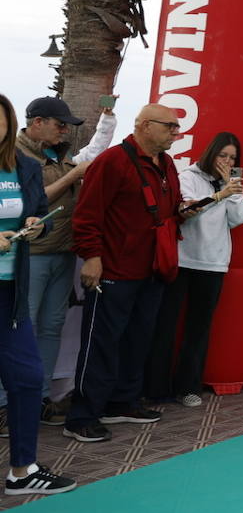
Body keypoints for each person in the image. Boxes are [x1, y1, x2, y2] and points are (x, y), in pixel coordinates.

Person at [65, 104, 185, 443]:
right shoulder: (113, 161)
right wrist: (92, 257)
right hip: (115, 268)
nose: (176, 132)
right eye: (170, 126)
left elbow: (169, 207)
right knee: (101, 343)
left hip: (152, 269)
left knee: (137, 340)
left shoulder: (168, 164)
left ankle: (122, 402)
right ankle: (82, 415)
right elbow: (87, 215)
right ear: (146, 126)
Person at [15, 96, 117, 424]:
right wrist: (74, 177)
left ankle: (39, 397)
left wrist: (107, 120)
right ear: (37, 122)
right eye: (60, 125)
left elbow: (92, 152)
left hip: (62, 253)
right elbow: (30, 202)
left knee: (50, 327)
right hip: (30, 256)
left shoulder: (59, 154)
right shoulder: (14, 156)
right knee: (22, 328)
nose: (65, 132)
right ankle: (8, 404)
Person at [0, 94, 76, 495]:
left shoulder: (25, 168)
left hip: (10, 293)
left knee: (28, 379)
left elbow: (39, 219)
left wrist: (35, 224)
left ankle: (22, 471)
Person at [146, 133, 243, 407]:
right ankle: (155, 388)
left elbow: (239, 219)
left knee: (199, 328)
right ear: (211, 153)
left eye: (232, 158)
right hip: (183, 260)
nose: (227, 161)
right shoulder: (188, 176)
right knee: (165, 325)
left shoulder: (232, 182)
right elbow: (189, 211)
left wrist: (231, 190)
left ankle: (189, 387)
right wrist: (220, 195)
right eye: (223, 155)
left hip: (214, 263)